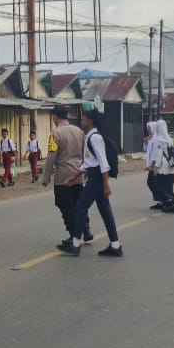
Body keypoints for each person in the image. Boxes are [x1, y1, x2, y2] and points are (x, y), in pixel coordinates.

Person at [57, 108, 122, 257]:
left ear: (90, 121)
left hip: (97, 179)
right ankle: (115, 245)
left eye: (84, 118)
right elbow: (88, 163)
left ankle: (75, 244)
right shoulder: (90, 137)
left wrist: (106, 184)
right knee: (105, 212)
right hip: (95, 176)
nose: (81, 121)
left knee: (80, 207)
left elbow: (103, 163)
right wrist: (73, 177)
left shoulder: (94, 138)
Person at [41, 106, 93, 248]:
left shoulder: (56, 133)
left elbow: (51, 156)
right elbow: (85, 153)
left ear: (55, 117)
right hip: (78, 174)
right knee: (79, 204)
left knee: (66, 206)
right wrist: (86, 171)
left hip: (63, 177)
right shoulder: (79, 131)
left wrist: (45, 178)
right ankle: (86, 228)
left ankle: (73, 235)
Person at [147, 118, 174, 213]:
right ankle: (170, 205)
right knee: (168, 185)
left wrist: (156, 168)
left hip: (163, 167)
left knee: (156, 184)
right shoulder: (169, 139)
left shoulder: (158, 140)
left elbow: (159, 155)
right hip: (171, 166)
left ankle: (171, 200)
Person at [143, 123, 165, 208]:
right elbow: (146, 150)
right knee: (152, 183)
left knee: (153, 183)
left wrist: (152, 165)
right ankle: (160, 201)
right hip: (151, 166)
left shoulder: (156, 138)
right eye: (147, 128)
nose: (148, 130)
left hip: (155, 166)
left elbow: (155, 154)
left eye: (149, 128)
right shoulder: (151, 138)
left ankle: (162, 200)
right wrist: (146, 142)